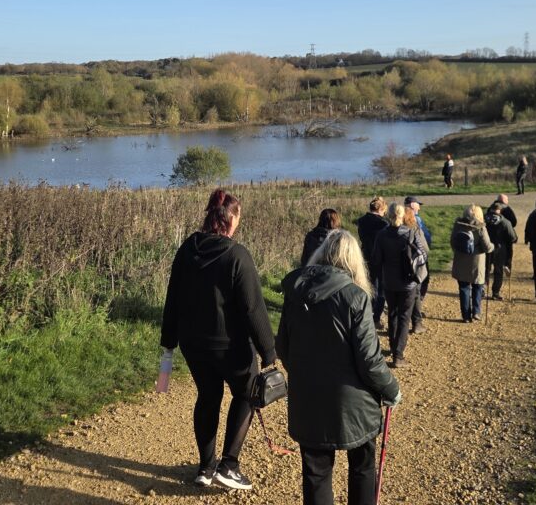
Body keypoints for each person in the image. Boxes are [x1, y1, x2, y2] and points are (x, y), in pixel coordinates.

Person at [160, 189, 277, 490]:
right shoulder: (237, 255)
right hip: (230, 346)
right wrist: (269, 352)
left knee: (208, 397)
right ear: (231, 218)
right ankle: (229, 466)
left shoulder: (187, 249)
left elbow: (172, 295)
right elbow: (253, 308)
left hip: (194, 345)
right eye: (239, 216)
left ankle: (205, 467)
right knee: (247, 393)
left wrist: (169, 340)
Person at [277, 230, 401, 505]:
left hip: (308, 400)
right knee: (363, 467)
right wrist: (391, 388)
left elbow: (283, 348)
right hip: (354, 404)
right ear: (354, 261)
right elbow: (369, 360)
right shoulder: (356, 297)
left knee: (316, 473)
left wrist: (307, 372)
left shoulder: (295, 292)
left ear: (322, 254)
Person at [370, 202, 427, 367]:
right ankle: (398, 355)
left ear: (389, 215)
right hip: (408, 282)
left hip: (389, 281)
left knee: (393, 315)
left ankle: (394, 348)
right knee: (404, 317)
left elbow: (376, 260)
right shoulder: (410, 233)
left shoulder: (381, 235)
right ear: (403, 216)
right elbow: (422, 256)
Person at [450, 204, 494, 322]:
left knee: (464, 288)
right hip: (477, 261)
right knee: (478, 286)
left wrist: (458, 251)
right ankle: (476, 311)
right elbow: (487, 247)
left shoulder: (458, 226)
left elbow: (452, 242)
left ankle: (465, 316)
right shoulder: (480, 228)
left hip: (461, 260)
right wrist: (493, 247)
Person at [355, 196, 389, 328]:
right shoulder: (383, 224)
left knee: (367, 285)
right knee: (381, 288)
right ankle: (376, 317)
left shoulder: (361, 221)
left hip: (365, 256)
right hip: (380, 258)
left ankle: (367, 314)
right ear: (381, 209)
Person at [404, 196, 431, 332]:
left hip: (398, 267)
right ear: (412, 206)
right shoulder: (416, 223)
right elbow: (424, 244)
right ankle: (416, 321)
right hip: (417, 260)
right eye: (418, 205)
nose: (419, 207)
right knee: (417, 289)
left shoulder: (393, 224)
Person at [484, 202, 517, 301]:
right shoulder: (505, 222)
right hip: (500, 249)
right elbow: (512, 237)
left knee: (485, 269)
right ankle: (495, 293)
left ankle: (481, 289)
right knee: (498, 272)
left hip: (485, 248)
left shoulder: (483, 219)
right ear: (499, 211)